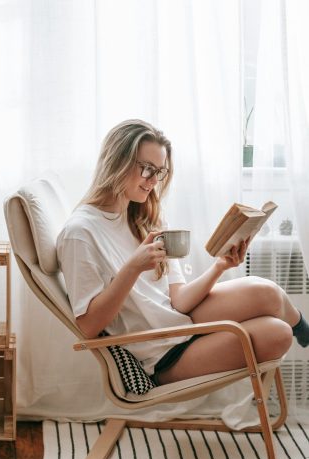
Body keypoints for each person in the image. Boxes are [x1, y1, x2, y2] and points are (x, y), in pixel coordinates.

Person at [56, 119, 309, 386]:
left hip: (180, 321)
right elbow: (87, 327)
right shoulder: (80, 233)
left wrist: (220, 267)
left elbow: (178, 299)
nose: (154, 181)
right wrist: (132, 268)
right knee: (278, 334)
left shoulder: (144, 216)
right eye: (147, 169)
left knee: (267, 293)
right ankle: (300, 330)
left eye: (160, 172)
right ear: (117, 161)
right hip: (161, 354)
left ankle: (304, 330)